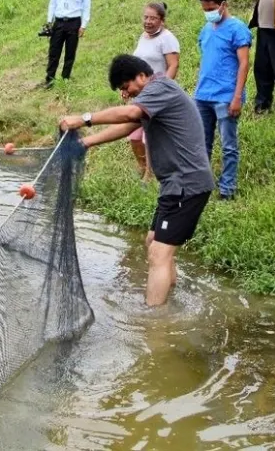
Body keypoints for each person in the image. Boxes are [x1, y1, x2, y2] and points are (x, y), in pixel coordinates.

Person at [59, 55, 214, 306]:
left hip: (187, 183)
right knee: (153, 242)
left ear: (142, 76)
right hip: (174, 185)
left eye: (125, 87)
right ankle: (169, 299)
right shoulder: (153, 96)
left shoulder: (160, 87)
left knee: (158, 253)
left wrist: (84, 118)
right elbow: (129, 125)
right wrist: (86, 142)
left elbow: (130, 113)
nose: (126, 93)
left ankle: (155, 322)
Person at [195, 0, 251, 200]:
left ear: (223, 5)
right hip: (203, 96)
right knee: (202, 144)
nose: (208, 12)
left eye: (211, 8)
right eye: (204, 8)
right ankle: (202, 185)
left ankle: (227, 188)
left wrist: (237, 97)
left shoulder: (237, 29)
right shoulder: (206, 29)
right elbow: (206, 60)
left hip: (226, 96)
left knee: (228, 146)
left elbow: (244, 64)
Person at [128, 1, 180, 178]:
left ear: (162, 20)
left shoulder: (167, 39)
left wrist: (162, 88)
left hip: (157, 96)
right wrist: (128, 85)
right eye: (146, 17)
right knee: (134, 137)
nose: (148, 21)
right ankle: (143, 169)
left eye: (153, 18)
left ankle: (150, 176)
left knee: (149, 137)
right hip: (140, 95)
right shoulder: (143, 36)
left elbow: (173, 66)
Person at [44, 0, 92, 89]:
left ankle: (65, 79)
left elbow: (86, 7)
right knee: (54, 52)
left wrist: (83, 25)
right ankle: (50, 80)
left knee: (70, 53)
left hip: (74, 23)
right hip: (58, 22)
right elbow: (52, 3)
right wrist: (49, 21)